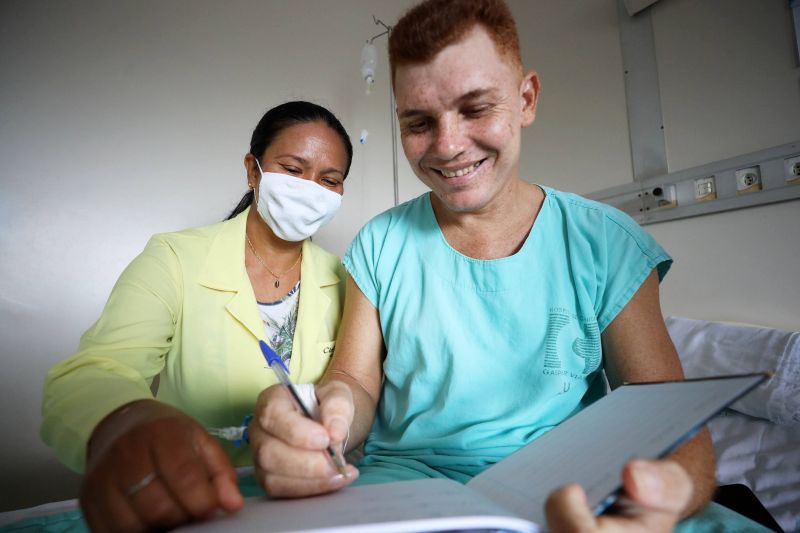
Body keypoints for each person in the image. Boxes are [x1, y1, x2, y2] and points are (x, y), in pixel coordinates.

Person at [248, 2, 758, 531]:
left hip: (576, 483)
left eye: (475, 109)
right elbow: (355, 379)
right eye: (419, 122)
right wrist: (325, 416)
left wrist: (665, 493)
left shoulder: (604, 242)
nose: (448, 146)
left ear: (526, 99)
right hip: (407, 483)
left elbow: (671, 422)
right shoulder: (380, 244)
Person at [40, 100, 358, 532]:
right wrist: (123, 423)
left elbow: (356, 388)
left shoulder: (343, 278)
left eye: (329, 180)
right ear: (253, 169)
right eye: (293, 169)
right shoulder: (175, 258)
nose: (310, 189)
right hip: (198, 501)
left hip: (309, 504)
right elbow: (94, 372)